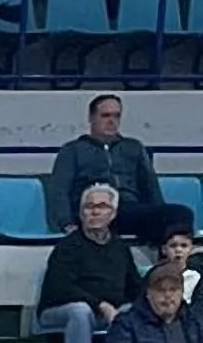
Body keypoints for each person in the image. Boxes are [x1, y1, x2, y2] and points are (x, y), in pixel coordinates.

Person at [36, 181, 136, 343]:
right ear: (81, 213)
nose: (94, 211)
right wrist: (100, 304)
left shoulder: (120, 248)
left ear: (113, 213)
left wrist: (127, 308)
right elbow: (61, 288)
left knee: (135, 311)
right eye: (89, 207)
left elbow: (134, 287)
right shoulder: (67, 247)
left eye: (101, 206)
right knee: (81, 312)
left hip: (106, 313)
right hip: (60, 310)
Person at [47, 96, 168, 243]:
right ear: (91, 118)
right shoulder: (73, 150)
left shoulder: (134, 147)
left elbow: (150, 186)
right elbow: (59, 190)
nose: (112, 121)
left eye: (117, 116)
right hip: (94, 211)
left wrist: (161, 213)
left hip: (131, 209)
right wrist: (66, 223)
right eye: (105, 116)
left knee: (179, 214)